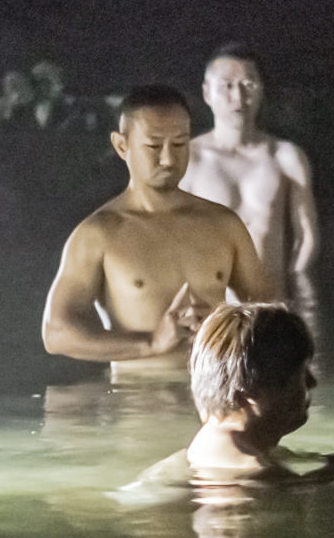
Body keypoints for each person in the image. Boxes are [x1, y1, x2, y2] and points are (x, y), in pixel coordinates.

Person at [43, 84, 273, 372]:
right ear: (122, 145)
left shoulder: (224, 225)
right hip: (140, 394)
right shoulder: (98, 234)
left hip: (217, 389)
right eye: (153, 146)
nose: (168, 159)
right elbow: (56, 334)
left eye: (179, 144)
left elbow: (273, 318)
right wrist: (151, 342)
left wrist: (227, 325)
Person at [114, 302, 334, 496]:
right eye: (300, 373)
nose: (312, 382)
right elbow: (286, 495)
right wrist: (330, 477)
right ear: (249, 395)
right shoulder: (257, 473)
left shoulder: (212, 441)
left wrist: (329, 468)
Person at [180, 45, 319, 301]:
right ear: (207, 93)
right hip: (210, 310)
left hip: (271, 306)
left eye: (248, 84)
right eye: (227, 86)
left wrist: (296, 297)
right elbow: (167, 239)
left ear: (261, 90)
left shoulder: (285, 157)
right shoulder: (188, 160)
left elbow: (306, 236)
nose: (238, 96)